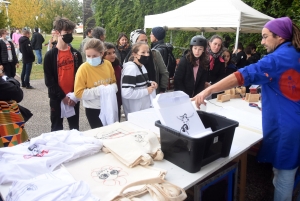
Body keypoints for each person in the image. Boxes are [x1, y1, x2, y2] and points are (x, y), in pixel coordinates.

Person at [192, 17, 300, 201]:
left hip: (289, 127)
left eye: (265, 37)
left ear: (280, 37)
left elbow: (242, 75)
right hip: (295, 119)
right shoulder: (294, 53)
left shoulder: (277, 59)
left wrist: (209, 89)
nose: (262, 42)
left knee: (283, 178)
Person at [44, 17, 83, 132]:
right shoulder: (50, 55)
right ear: (57, 32)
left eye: (71, 32)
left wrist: (74, 96)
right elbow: (49, 80)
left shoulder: (76, 54)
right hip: (57, 98)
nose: (69, 35)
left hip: (73, 97)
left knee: (74, 128)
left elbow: (79, 77)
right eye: (66, 33)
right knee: (56, 128)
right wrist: (62, 97)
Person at [74, 39, 117, 129]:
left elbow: (114, 83)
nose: (91, 59)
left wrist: (110, 87)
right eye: (88, 56)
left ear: (102, 53)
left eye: (94, 56)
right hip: (93, 108)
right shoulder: (83, 69)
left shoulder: (108, 64)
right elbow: (78, 93)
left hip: (109, 105)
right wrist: (100, 90)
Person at [121, 42, 158, 119]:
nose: (147, 55)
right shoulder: (131, 69)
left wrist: (151, 83)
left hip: (143, 110)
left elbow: (141, 83)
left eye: (148, 52)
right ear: (134, 54)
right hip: (135, 112)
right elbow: (126, 93)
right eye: (143, 52)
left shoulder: (142, 67)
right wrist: (146, 91)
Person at [125, 29, 168, 94]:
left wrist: (162, 89)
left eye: (146, 40)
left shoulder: (155, 54)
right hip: (137, 96)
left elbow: (164, 72)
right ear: (134, 42)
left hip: (154, 92)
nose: (144, 42)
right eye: (141, 41)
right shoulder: (129, 59)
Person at [103, 42, 122, 121]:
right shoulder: (101, 68)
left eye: (114, 52)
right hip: (105, 101)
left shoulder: (117, 67)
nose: (113, 55)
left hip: (116, 99)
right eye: (109, 53)